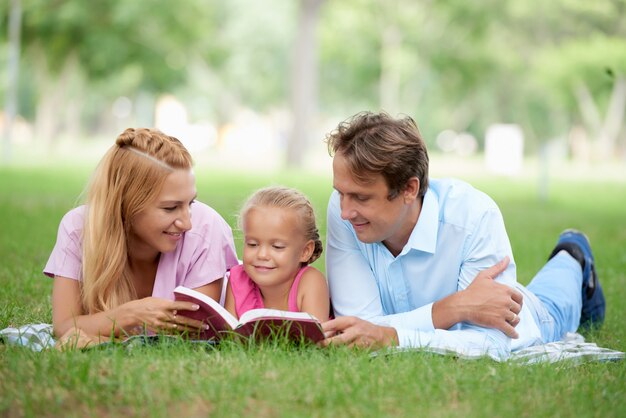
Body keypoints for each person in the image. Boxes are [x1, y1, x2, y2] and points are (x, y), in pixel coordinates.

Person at [321, 111, 606, 359]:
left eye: (361, 197)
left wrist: (393, 336)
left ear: (408, 189)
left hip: (530, 319)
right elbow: (358, 326)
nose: (345, 211)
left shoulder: (474, 216)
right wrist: (456, 308)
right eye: (340, 193)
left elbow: (492, 342)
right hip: (458, 313)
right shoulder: (344, 211)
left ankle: (574, 253)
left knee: (557, 297)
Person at [44, 128, 239, 347]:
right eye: (171, 208)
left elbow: (193, 333)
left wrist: (102, 329)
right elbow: (63, 326)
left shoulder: (207, 228)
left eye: (190, 203)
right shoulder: (78, 229)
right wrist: (129, 315)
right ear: (127, 204)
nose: (187, 223)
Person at [224, 186, 330, 322]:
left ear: (305, 251)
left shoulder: (310, 282)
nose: (262, 255)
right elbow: (230, 337)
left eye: (277, 247)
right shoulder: (238, 280)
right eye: (252, 244)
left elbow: (315, 338)